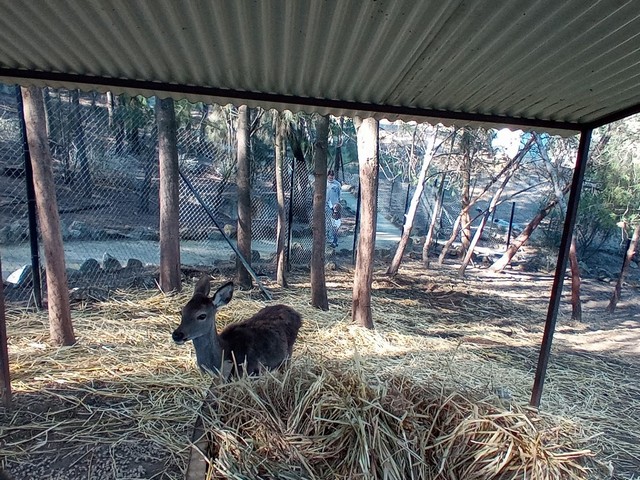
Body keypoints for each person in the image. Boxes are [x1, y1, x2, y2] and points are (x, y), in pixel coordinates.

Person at [326, 170, 342, 247]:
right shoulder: (324, 183)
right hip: (326, 205)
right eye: (330, 176)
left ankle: (334, 240)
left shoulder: (337, 184)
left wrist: (337, 206)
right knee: (328, 222)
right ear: (327, 175)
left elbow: (339, 196)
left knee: (334, 224)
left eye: (332, 176)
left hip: (334, 206)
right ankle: (330, 238)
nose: (331, 177)